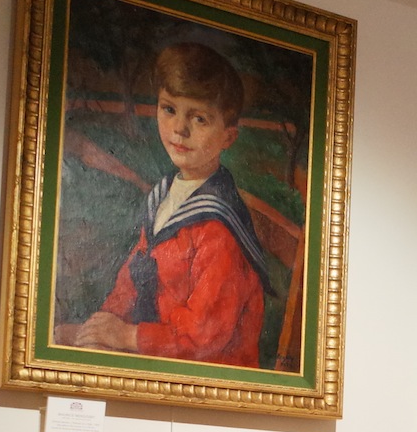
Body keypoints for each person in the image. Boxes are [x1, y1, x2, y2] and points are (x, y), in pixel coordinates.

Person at [58, 42, 273, 366]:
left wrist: (127, 336)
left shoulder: (218, 230)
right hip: (157, 352)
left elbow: (204, 338)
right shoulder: (167, 195)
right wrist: (103, 324)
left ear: (228, 138)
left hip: (207, 371)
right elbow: (133, 277)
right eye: (169, 109)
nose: (179, 129)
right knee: (60, 336)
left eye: (199, 119)